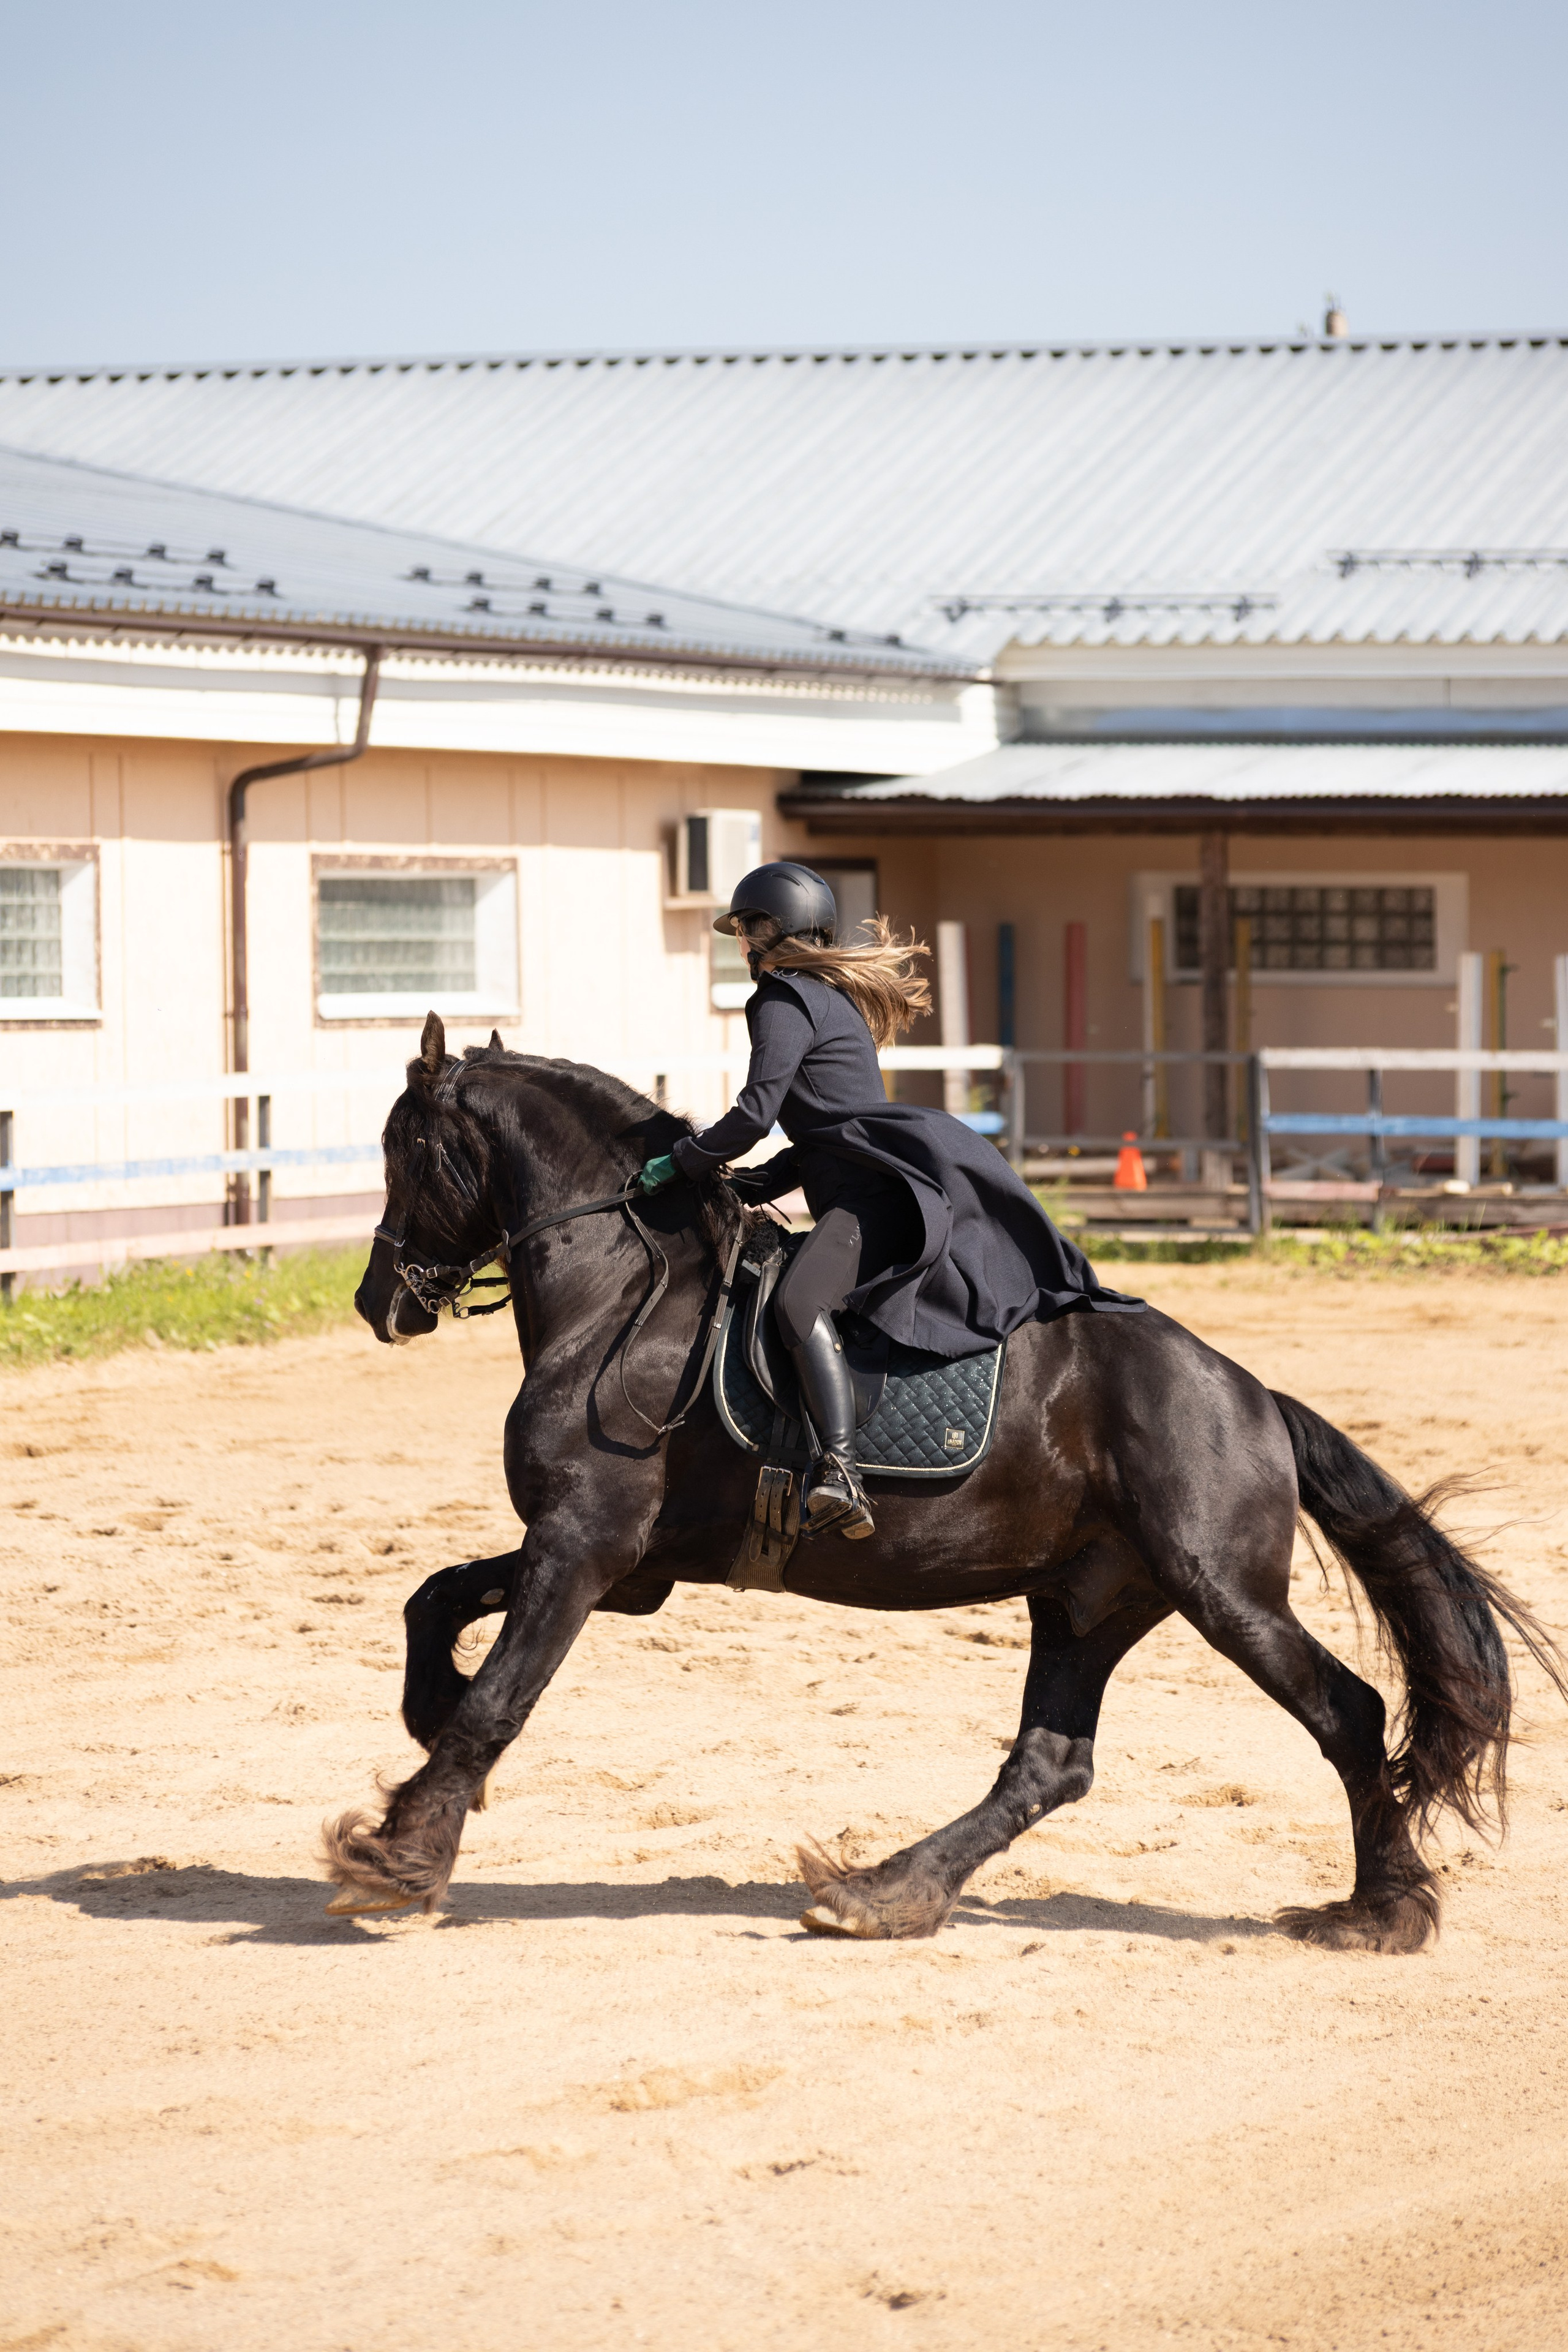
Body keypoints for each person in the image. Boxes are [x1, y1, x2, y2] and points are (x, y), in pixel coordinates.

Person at [638, 862, 1141, 1540]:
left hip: (868, 1199)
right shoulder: (826, 996)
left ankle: (840, 1470)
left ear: (767, 930)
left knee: (798, 1302)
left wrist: (683, 1161)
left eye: (745, 928)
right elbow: (826, 1134)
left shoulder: (782, 996)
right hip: (861, 1181)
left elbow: (756, 1114)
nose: (740, 942)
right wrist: (752, 1183)